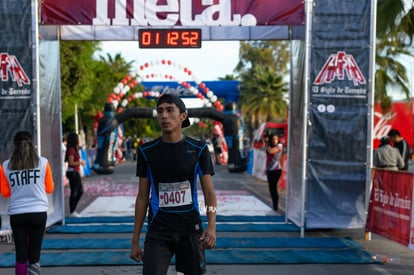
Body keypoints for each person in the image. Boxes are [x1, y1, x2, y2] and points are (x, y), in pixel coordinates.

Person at [129, 94, 217, 275]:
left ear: (183, 116)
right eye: (160, 111)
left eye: (170, 110)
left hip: (190, 230)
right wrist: (135, 240)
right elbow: (142, 197)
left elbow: (209, 194)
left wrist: (212, 226)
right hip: (158, 232)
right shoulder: (146, 151)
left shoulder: (199, 149)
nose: (164, 116)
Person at [0, 131, 55, 275]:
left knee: (21, 252)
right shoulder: (43, 163)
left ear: (14, 146)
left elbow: (5, 193)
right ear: (33, 145)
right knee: (34, 253)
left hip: (17, 214)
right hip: (38, 212)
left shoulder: (5, 166)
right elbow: (50, 189)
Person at [65, 132, 85, 217]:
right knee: (75, 191)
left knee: (79, 191)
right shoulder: (71, 150)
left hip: (75, 172)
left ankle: (73, 210)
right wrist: (80, 162)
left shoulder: (74, 149)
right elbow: (71, 162)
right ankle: (72, 211)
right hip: (72, 172)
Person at [266, 133, 283, 211]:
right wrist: (266, 168)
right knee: (271, 188)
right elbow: (268, 158)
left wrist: (269, 146)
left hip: (276, 169)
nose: (274, 141)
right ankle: (274, 204)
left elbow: (271, 151)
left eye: (276, 139)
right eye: (273, 139)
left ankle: (275, 205)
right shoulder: (269, 146)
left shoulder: (280, 145)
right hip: (269, 169)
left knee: (274, 187)